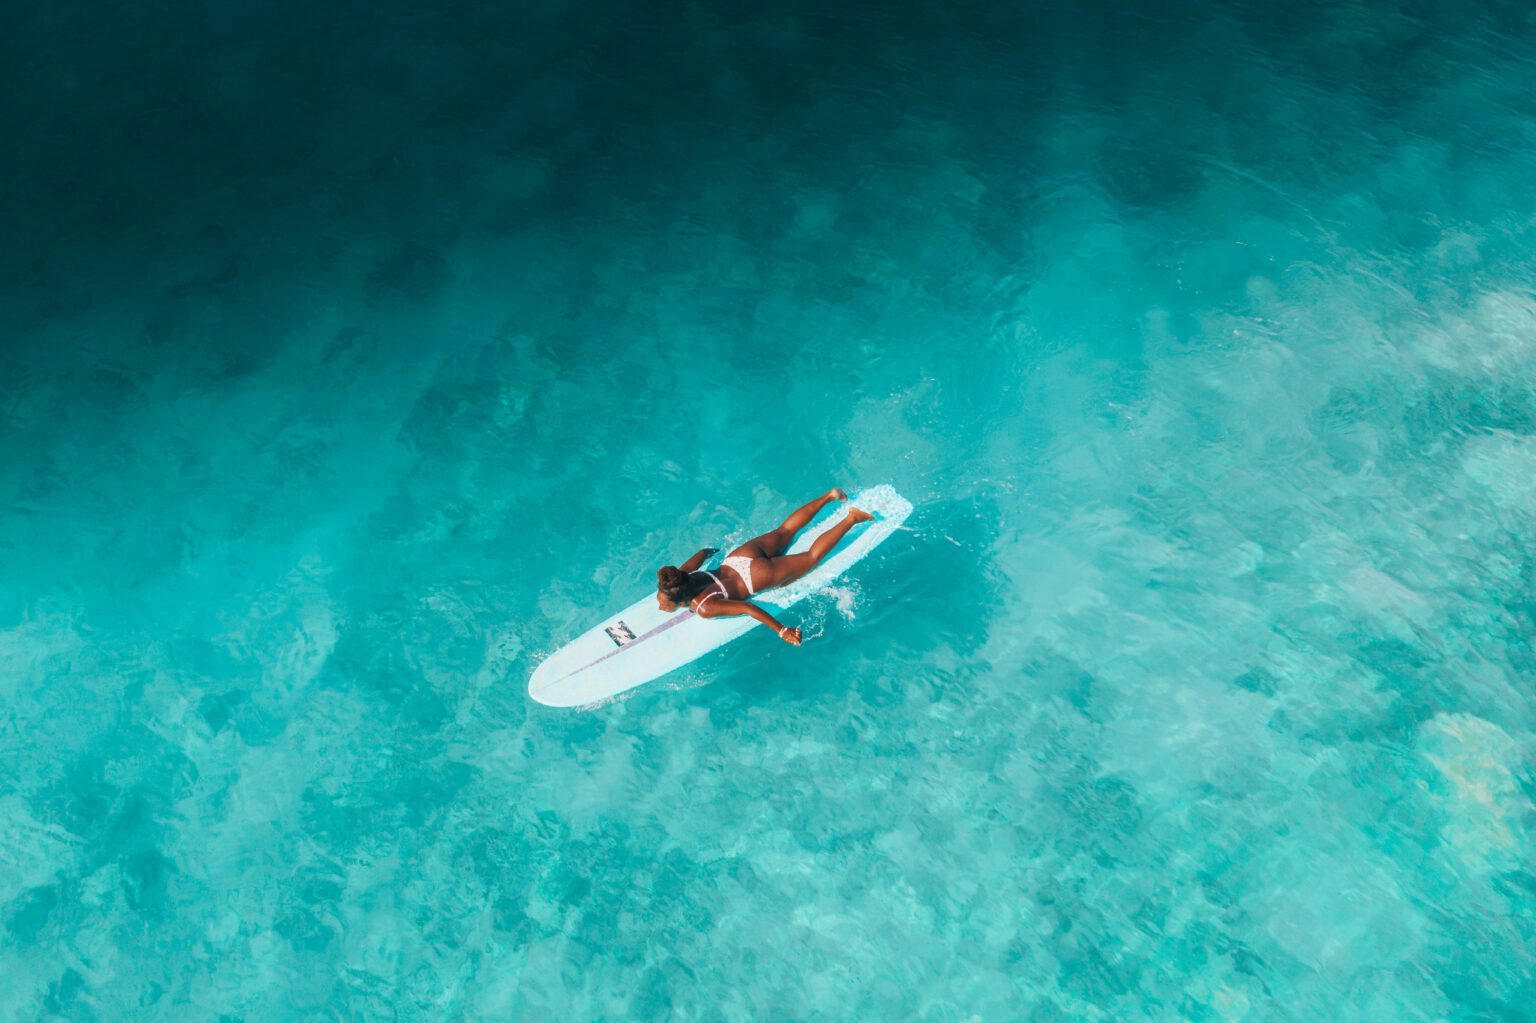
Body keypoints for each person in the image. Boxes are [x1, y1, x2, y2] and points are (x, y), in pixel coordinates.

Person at [655, 488, 873, 645]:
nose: (660, 607)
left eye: (664, 604)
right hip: (738, 558)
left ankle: (851, 518)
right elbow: (702, 554)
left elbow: (748, 608)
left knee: (811, 557)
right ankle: (829, 496)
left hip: (755, 577)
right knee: (784, 531)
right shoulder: (682, 575)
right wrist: (711, 552)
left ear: (682, 601)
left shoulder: (704, 607)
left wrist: (782, 630)